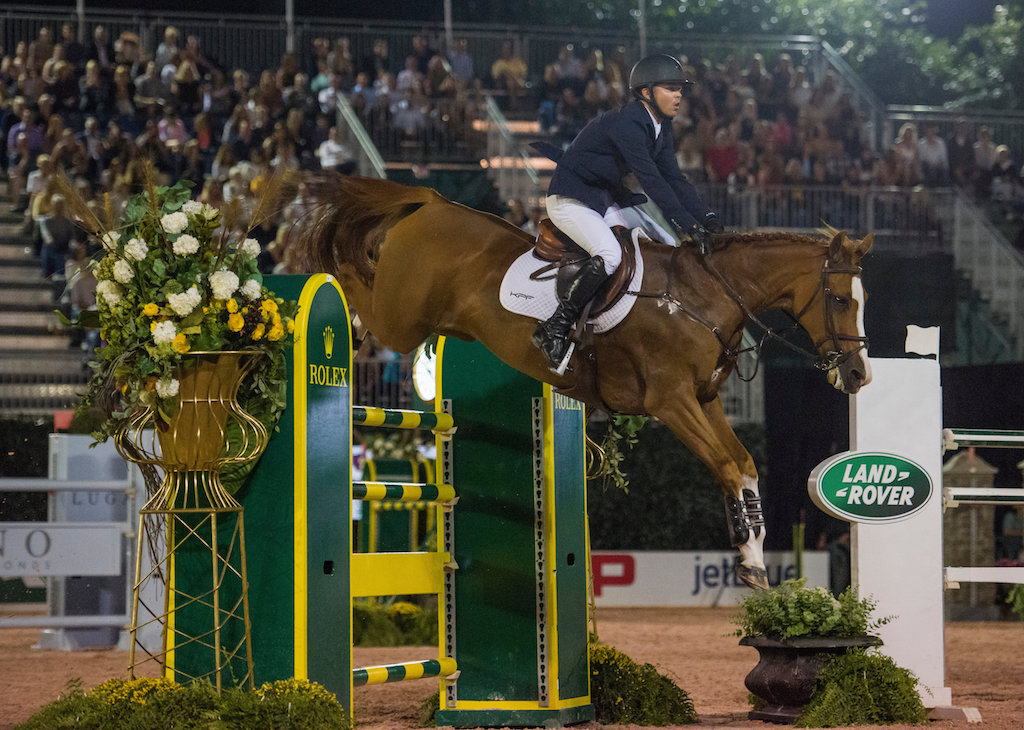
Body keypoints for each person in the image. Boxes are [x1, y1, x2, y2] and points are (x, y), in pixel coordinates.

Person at [531, 53, 723, 371]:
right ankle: (554, 327)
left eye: (680, 89)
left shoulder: (661, 126)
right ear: (646, 93)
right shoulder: (628, 123)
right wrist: (688, 224)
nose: (679, 96)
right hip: (570, 198)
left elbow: (675, 178)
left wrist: (706, 217)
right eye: (670, 88)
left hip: (602, 199)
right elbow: (653, 180)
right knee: (609, 255)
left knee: (660, 244)